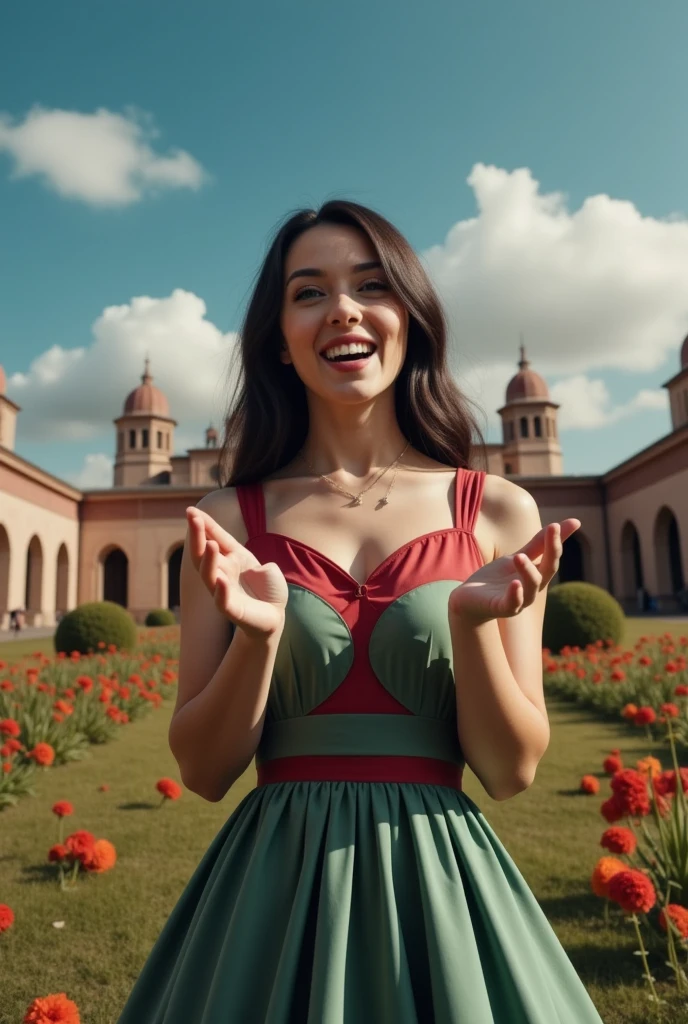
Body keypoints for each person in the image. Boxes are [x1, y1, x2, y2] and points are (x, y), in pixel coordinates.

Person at [116, 201, 602, 1023]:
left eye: (370, 285)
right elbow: (203, 773)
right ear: (279, 337)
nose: (342, 307)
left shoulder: (498, 512)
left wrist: (474, 629)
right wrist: (259, 640)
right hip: (274, 887)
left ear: (409, 317)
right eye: (309, 292)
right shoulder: (227, 521)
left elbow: (511, 771)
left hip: (441, 884)